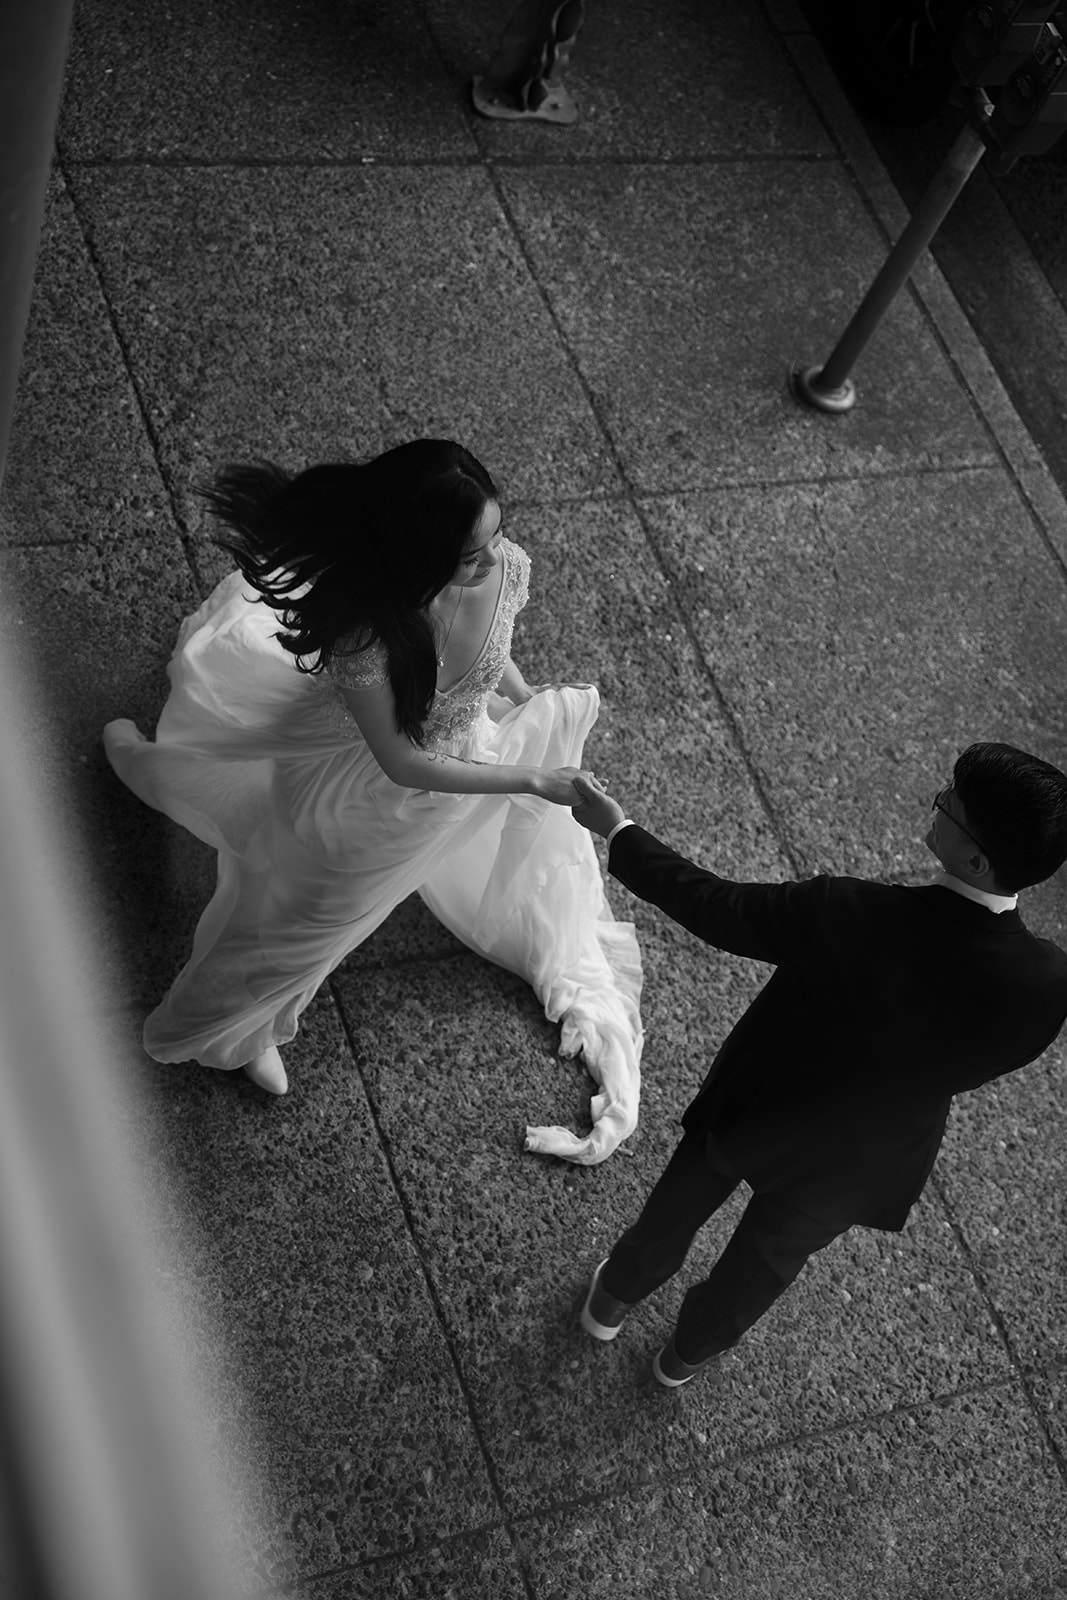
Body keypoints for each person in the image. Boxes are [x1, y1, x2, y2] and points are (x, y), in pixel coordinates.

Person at [103, 439, 642, 1163]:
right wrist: (531, 779)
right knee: (292, 926)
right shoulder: (367, 636)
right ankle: (227, 1032)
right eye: (468, 553)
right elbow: (403, 760)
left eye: (492, 537)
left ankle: (248, 1008)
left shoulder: (502, 564)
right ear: (417, 557)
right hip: (358, 802)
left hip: (445, 782)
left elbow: (491, 641)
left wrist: (516, 694)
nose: (491, 559)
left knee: (333, 917)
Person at [570, 742, 1067, 1383]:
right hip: (867, 1155)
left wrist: (618, 828)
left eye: (950, 803)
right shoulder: (1049, 979)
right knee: (766, 1265)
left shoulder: (850, 911)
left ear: (975, 856)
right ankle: (684, 1357)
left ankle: (610, 1304)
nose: (937, 803)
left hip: (765, 1099)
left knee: (676, 1209)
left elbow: (716, 909)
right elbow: (994, 1059)